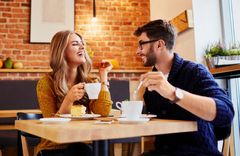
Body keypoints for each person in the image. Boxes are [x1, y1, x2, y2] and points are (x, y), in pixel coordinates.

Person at [134, 19, 234, 156]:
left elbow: (226, 113)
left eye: (141, 45)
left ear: (159, 44)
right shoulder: (151, 81)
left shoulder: (195, 71)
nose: (137, 51)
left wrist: (173, 93)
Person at [36, 30, 113, 156]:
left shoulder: (90, 81)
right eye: (75, 44)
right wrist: (68, 100)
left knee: (83, 149)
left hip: (83, 144)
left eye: (82, 43)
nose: (82, 47)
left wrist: (103, 76)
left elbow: (103, 112)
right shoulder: (46, 83)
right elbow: (51, 127)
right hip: (54, 149)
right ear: (62, 51)